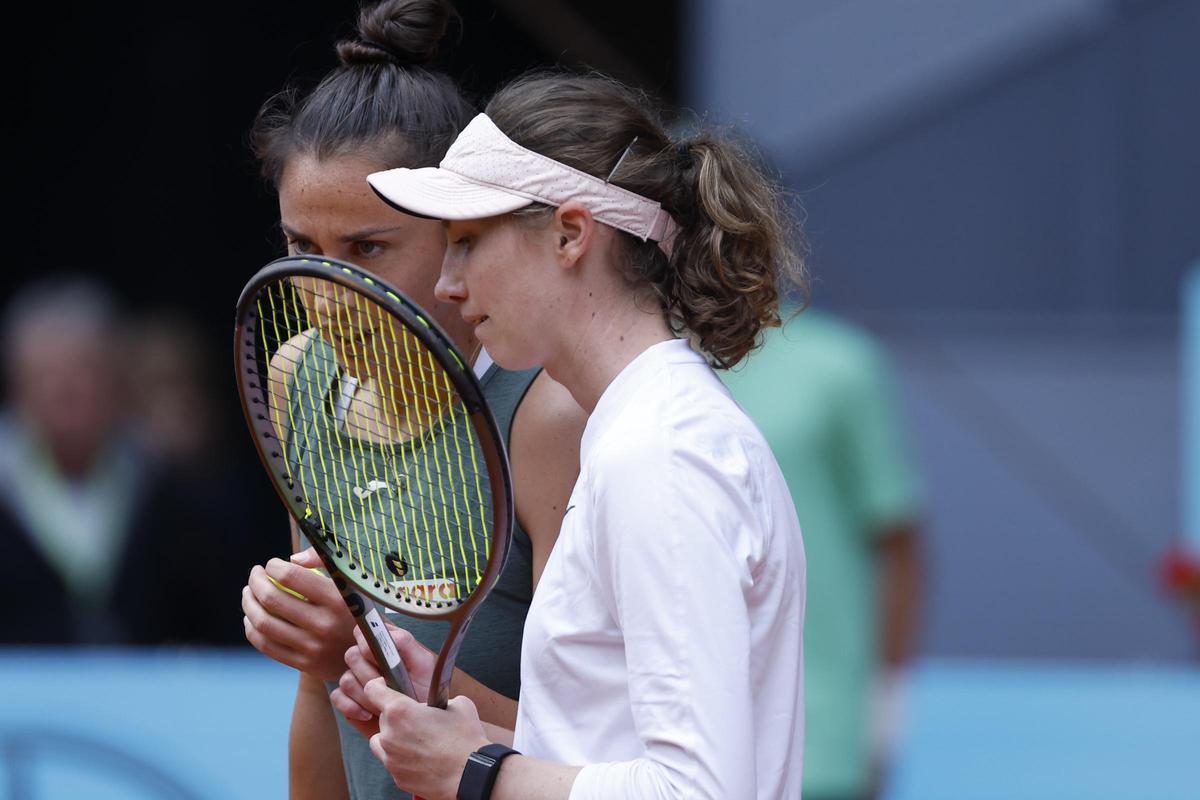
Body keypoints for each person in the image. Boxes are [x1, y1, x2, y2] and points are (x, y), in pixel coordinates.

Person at [331, 70, 808, 799]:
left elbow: (698, 792)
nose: (446, 286)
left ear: (570, 234)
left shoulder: (661, 454)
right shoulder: (644, 434)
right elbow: (603, 757)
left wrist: (478, 774)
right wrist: (452, 722)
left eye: (467, 243)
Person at [237, 2, 586, 799]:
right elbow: (317, 695)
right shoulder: (298, 377)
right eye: (303, 248)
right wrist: (332, 658)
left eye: (367, 250)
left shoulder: (549, 417)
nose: (327, 293)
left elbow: (592, 753)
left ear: (460, 228)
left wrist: (371, 658)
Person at [722, 309, 924, 800]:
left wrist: (884, 709)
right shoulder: (635, 369)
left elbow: (897, 544)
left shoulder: (840, 367)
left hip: (819, 745)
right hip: (665, 743)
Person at [0, 279, 264, 645]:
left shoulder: (173, 483)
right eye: (44, 374)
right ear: (17, 387)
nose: (63, 390)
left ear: (116, 381)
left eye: (81, 370)